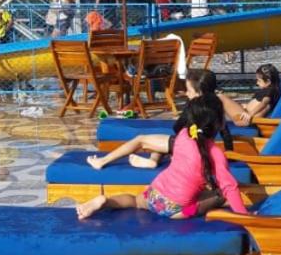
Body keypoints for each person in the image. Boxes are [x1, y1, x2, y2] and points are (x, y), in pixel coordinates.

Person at [76, 98, 248, 221]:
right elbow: (230, 187)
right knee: (221, 195)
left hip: (154, 193)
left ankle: (106, 201)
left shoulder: (183, 135)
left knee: (135, 201)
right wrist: (245, 217)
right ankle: (240, 214)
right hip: (176, 210)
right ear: (219, 123)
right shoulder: (215, 154)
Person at [87, 69, 232, 170]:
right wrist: (229, 154)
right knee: (162, 141)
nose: (186, 93)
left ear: (198, 92)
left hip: (186, 147)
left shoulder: (193, 106)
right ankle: (152, 160)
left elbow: (177, 127)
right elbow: (225, 132)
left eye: (188, 90)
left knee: (141, 139)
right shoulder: (217, 104)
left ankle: (102, 161)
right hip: (203, 147)